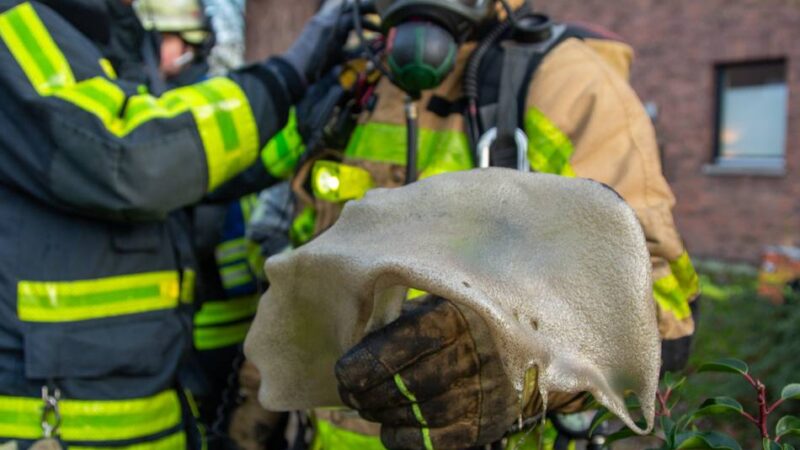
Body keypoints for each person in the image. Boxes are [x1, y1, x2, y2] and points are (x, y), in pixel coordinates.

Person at [274, 0, 700, 448]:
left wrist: (504, 363)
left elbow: (658, 309)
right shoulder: (360, 83)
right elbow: (295, 270)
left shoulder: (566, 83)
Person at [0, 0, 348, 448]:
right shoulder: (13, 24)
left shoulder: (96, 32)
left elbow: (189, 166)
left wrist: (306, 125)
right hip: (50, 424)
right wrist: (283, 77)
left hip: (147, 407)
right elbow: (132, 156)